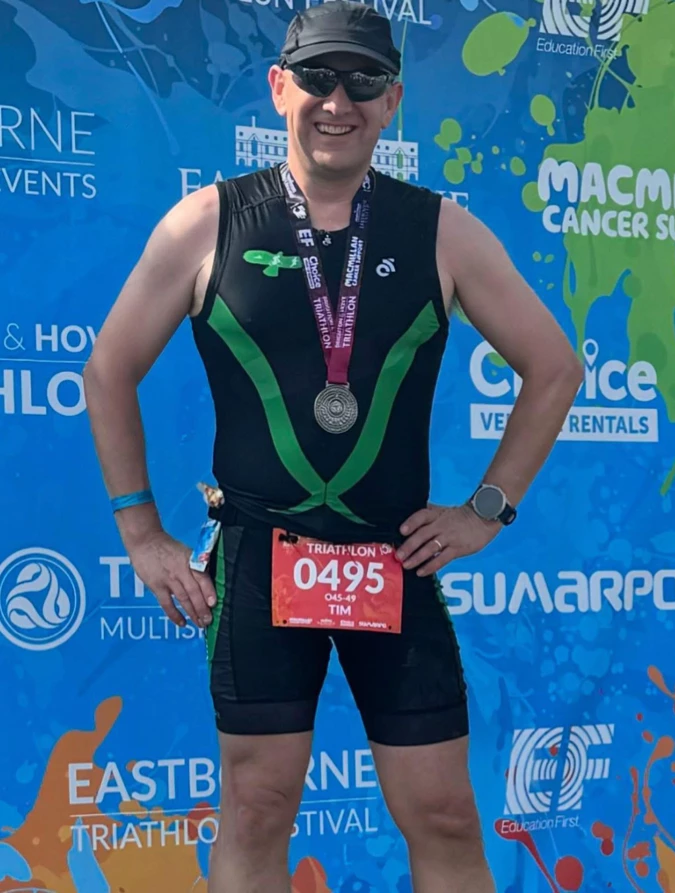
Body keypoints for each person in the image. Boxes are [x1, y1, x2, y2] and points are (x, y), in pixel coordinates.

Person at [83, 3, 583, 891]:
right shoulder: (206, 222)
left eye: (361, 81)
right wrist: (140, 531)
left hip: (393, 557)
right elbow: (107, 369)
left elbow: (553, 367)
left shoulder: (439, 230)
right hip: (259, 558)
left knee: (442, 811)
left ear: (392, 101)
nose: (336, 101)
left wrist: (487, 508)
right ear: (280, 88)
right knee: (257, 804)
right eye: (316, 77)